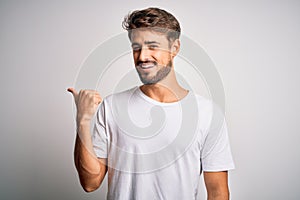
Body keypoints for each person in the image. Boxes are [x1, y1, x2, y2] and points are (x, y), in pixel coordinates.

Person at [68, 7, 234, 200]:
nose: (143, 56)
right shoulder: (112, 106)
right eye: (136, 47)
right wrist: (83, 122)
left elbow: (218, 192)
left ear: (175, 48)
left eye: (153, 46)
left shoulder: (207, 113)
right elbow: (90, 183)